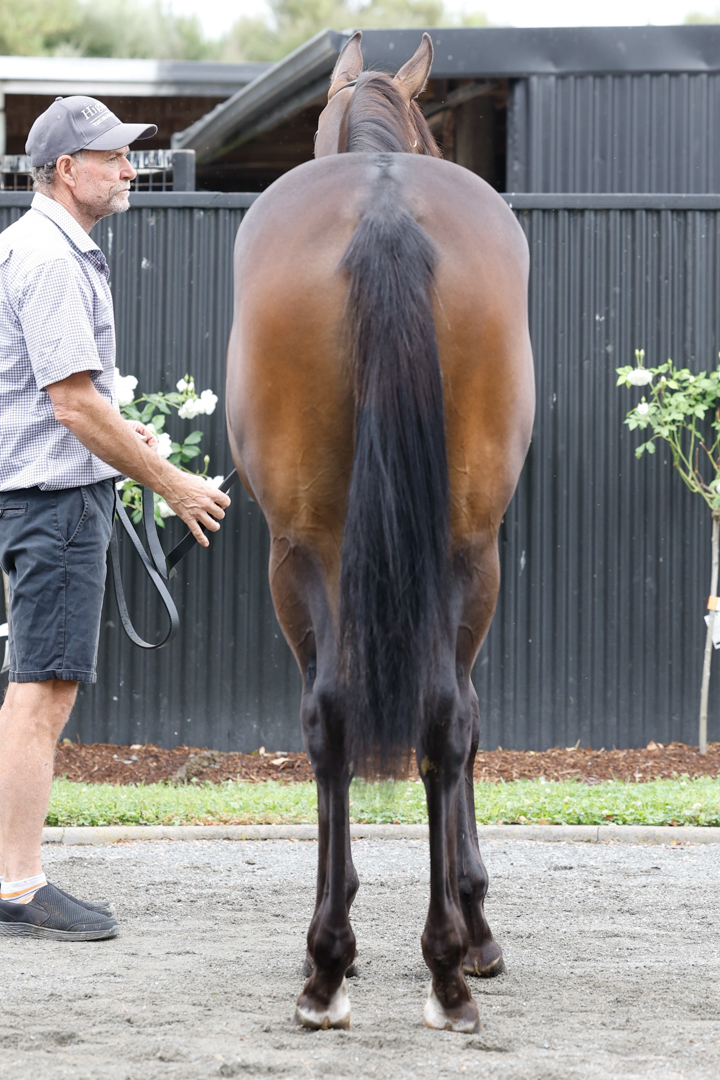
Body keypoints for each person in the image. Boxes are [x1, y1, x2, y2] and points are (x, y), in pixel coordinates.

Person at [0, 97, 231, 940]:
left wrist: (118, 435)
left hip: (43, 492)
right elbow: (69, 404)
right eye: (114, 157)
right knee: (43, 691)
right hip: (54, 501)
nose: (130, 170)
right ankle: (17, 888)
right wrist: (171, 483)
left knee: (34, 685)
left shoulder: (31, 246)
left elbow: (50, 395)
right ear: (68, 169)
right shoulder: (53, 259)